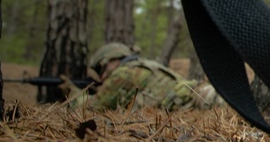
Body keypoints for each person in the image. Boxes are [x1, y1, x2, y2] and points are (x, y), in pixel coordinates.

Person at [78, 42, 221, 111]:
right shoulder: (145, 64)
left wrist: (73, 94)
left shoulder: (124, 73)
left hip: (196, 99)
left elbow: (92, 107)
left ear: (112, 60)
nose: (103, 76)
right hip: (197, 93)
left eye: (102, 69)